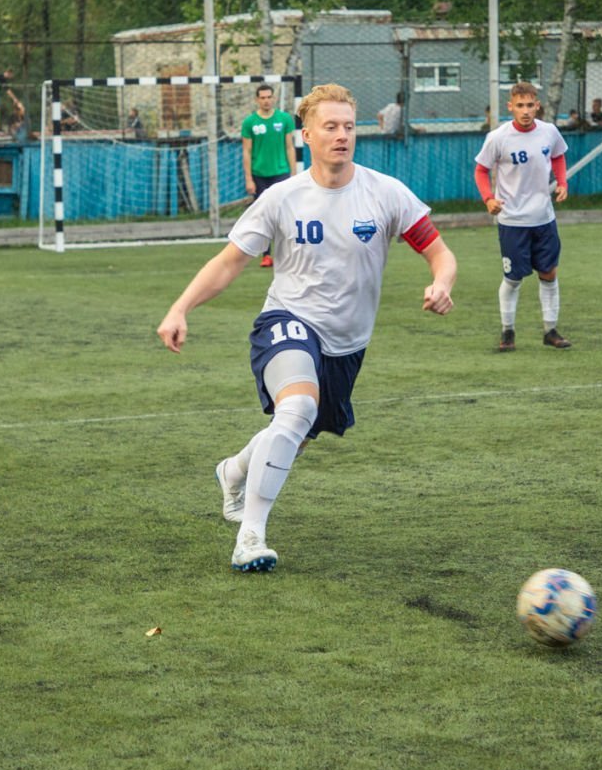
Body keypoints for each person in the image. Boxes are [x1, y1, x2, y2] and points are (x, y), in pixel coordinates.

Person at [157, 84, 457, 574]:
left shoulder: (386, 193)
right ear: (306, 135)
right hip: (287, 321)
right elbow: (230, 262)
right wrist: (180, 308)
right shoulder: (282, 198)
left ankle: (233, 470)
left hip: (347, 345)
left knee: (295, 432)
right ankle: (250, 537)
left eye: (349, 126)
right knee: (297, 408)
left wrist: (441, 283)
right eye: (330, 126)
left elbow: (440, 253)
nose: (342, 135)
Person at [474, 82, 572, 352]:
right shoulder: (498, 137)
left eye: (530, 105)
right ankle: (508, 332)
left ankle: (550, 330)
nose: (526, 111)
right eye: (520, 106)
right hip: (513, 221)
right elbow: (481, 170)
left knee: (549, 273)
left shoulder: (549, 132)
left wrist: (562, 182)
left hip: (544, 218)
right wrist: (489, 199)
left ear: (537, 105)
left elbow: (558, 156)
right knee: (513, 278)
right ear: (511, 107)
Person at [241, 84, 298, 268]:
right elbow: (246, 151)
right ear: (257, 100)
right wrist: (248, 178)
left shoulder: (284, 119)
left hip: (281, 172)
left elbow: (290, 147)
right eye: (262, 98)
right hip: (259, 174)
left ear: (273, 98)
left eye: (269, 97)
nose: (266, 101)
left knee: (286, 214)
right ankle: (266, 255)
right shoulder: (250, 122)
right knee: (264, 216)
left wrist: (294, 173)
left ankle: (290, 252)